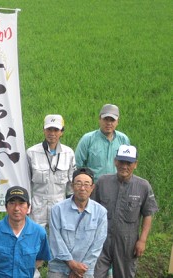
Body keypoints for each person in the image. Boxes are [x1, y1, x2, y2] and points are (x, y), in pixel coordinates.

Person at [93, 145, 158, 278]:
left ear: (135, 164)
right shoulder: (103, 181)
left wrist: (143, 240)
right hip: (101, 241)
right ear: (115, 161)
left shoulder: (143, 186)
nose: (124, 166)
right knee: (94, 274)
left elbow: (148, 214)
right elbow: (91, 209)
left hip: (127, 244)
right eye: (121, 161)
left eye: (129, 163)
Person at [0, 186, 51, 277]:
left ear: (28, 207)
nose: (16, 208)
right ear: (6, 207)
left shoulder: (39, 233)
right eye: (12, 203)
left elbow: (40, 258)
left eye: (21, 203)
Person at [48, 167, 108, 278]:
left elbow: (97, 245)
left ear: (92, 187)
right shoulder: (57, 209)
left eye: (86, 184)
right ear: (72, 186)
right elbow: (55, 240)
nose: (82, 188)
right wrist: (71, 263)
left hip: (85, 270)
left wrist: (80, 270)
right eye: (78, 184)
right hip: (59, 268)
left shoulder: (101, 212)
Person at [27, 114, 76, 229]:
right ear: (44, 130)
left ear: (62, 132)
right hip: (37, 204)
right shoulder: (31, 153)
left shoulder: (68, 153)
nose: (52, 133)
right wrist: (27, 204)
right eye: (49, 129)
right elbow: (26, 181)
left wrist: (71, 205)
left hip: (60, 203)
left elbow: (71, 184)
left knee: (59, 239)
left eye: (56, 130)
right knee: (35, 239)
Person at [75, 104, 130, 181]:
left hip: (117, 185)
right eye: (106, 119)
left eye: (112, 120)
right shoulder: (87, 139)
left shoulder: (123, 140)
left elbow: (128, 164)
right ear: (99, 119)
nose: (109, 123)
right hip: (94, 187)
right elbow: (78, 165)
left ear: (118, 121)